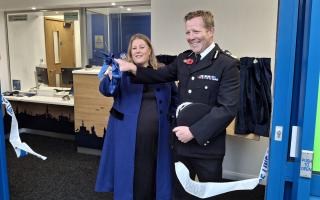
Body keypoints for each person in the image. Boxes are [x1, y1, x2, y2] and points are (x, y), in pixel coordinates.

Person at [117, 10, 240, 200]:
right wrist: (133, 68)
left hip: (207, 146)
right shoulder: (184, 59)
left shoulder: (227, 64)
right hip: (181, 146)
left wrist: (194, 132)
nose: (191, 37)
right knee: (181, 194)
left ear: (211, 31)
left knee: (210, 195)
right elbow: (159, 75)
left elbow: (227, 109)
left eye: (196, 31)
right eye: (188, 33)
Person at [95, 33, 178, 200]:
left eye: (142, 47)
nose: (138, 51)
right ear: (130, 53)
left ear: (149, 51)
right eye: (134, 48)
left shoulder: (162, 72)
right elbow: (106, 90)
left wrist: (172, 119)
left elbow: (175, 99)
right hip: (127, 136)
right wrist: (110, 76)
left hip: (158, 136)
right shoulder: (122, 72)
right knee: (130, 172)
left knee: (155, 172)